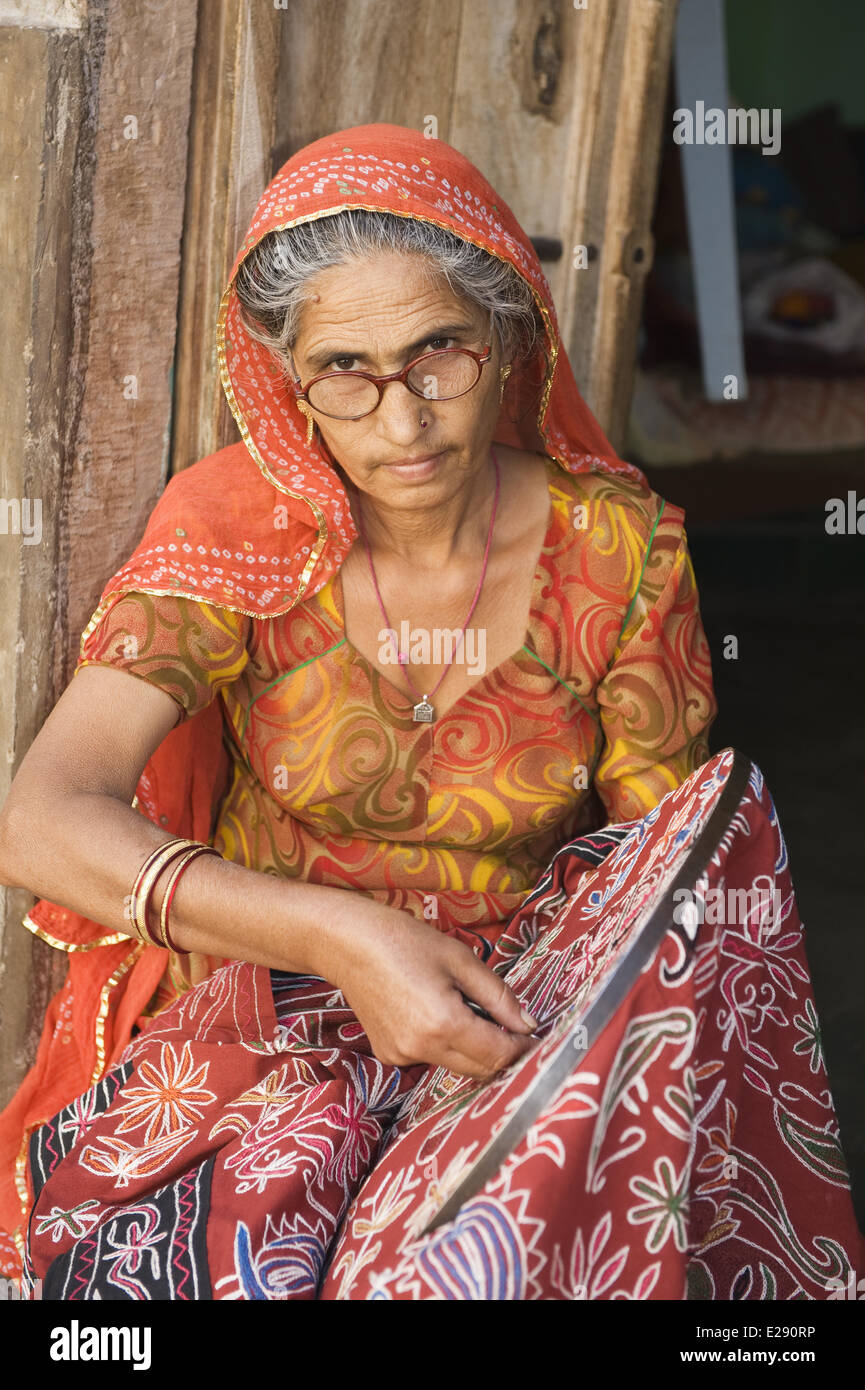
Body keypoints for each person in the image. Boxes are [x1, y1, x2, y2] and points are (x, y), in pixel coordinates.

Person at [0, 124, 859, 1300]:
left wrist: (557, 1054)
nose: (399, 425)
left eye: (436, 355)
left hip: (514, 1018)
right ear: (287, 376)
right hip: (270, 1017)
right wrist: (342, 940)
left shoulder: (618, 548)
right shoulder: (246, 527)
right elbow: (42, 820)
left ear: (507, 342)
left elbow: (663, 885)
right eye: (345, 372)